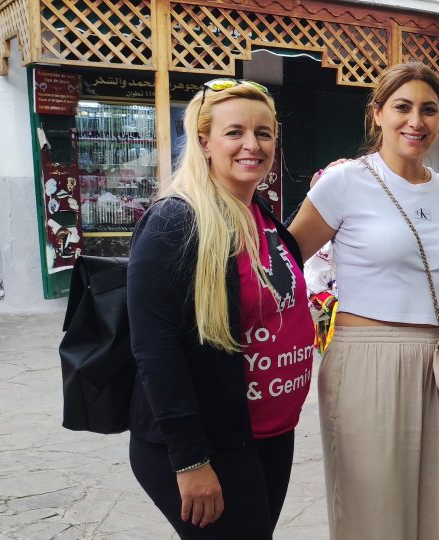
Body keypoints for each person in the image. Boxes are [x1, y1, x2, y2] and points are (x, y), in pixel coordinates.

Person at [288, 62, 439, 539]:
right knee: (372, 515)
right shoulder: (345, 182)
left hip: (434, 366)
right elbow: (285, 264)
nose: (416, 121)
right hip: (366, 360)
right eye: (402, 107)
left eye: (429, 109)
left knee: (425, 514)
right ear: (377, 114)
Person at [127, 79, 314, 539]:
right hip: (211, 444)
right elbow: (155, 351)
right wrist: (191, 460)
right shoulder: (174, 221)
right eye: (235, 132)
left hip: (269, 434)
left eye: (264, 133)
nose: (253, 144)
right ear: (205, 141)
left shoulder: (261, 214)